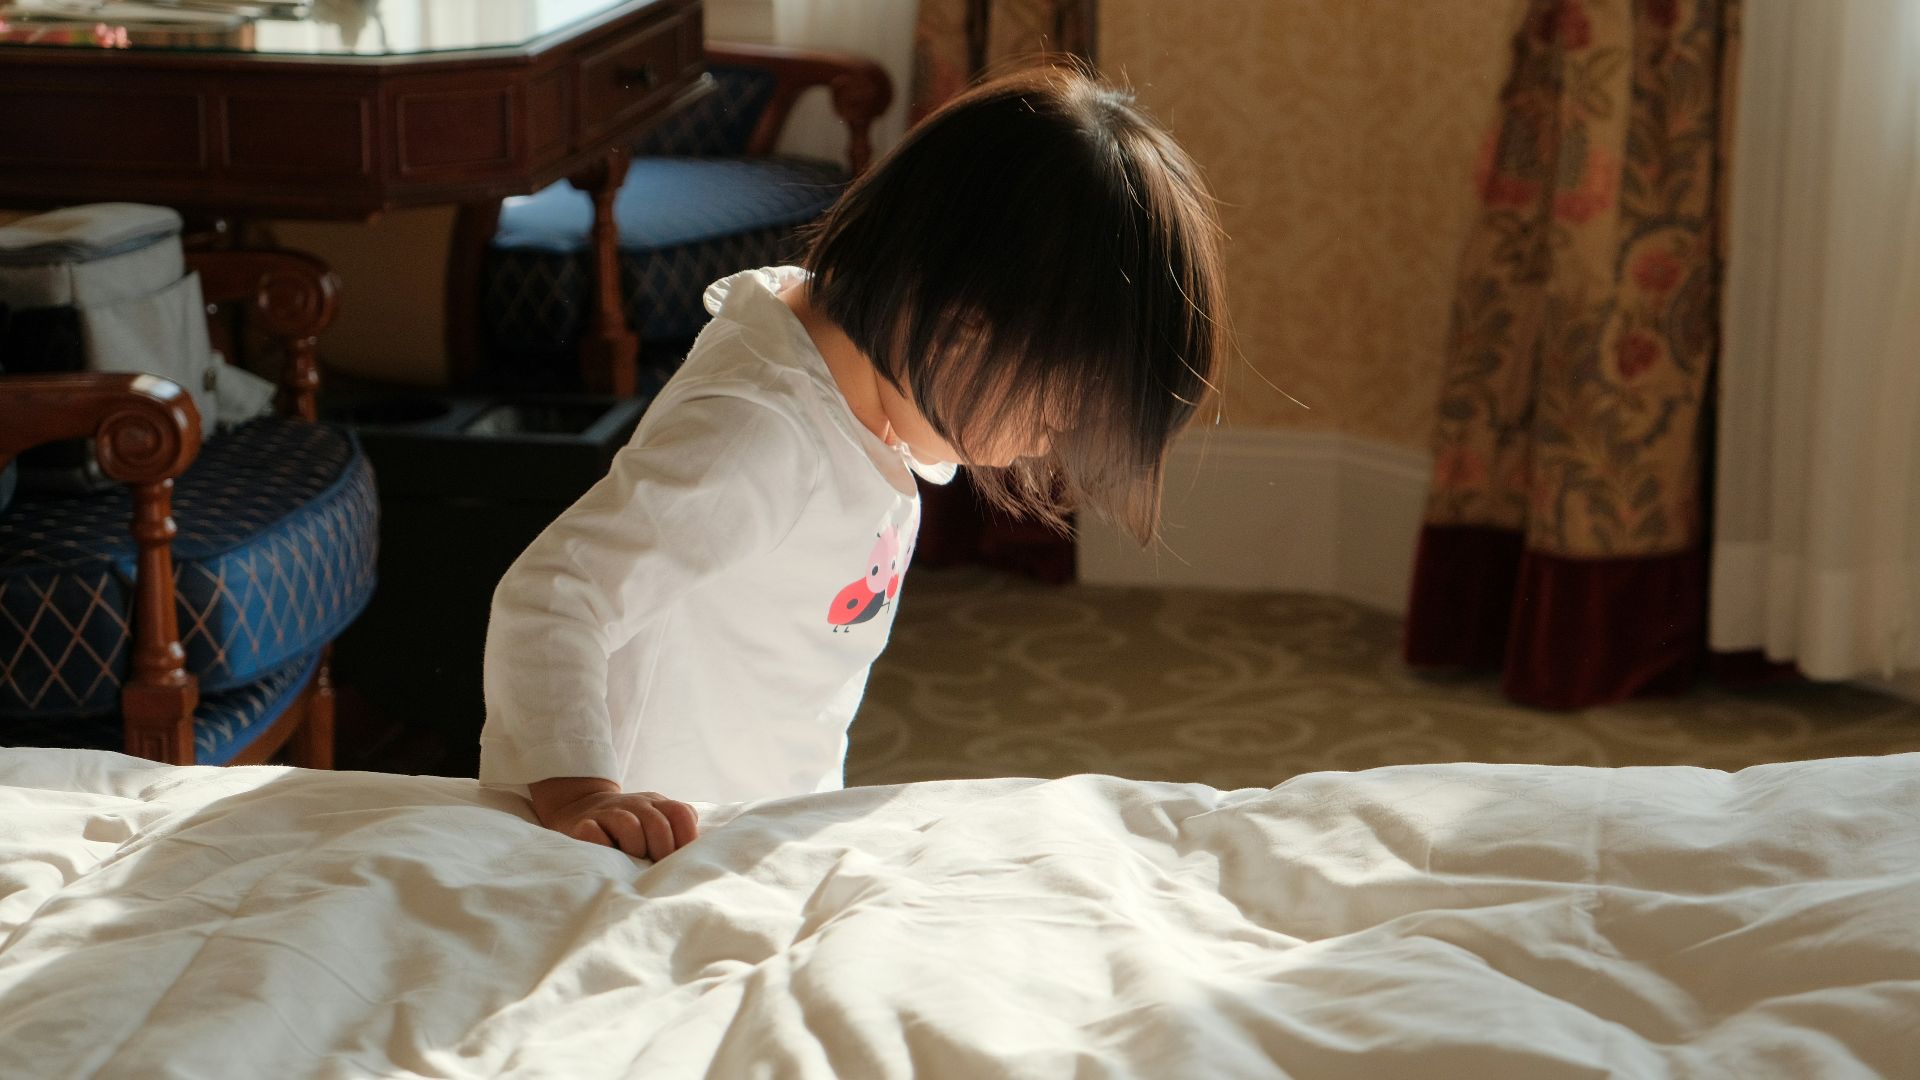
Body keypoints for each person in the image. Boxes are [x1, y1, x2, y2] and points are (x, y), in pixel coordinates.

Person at [478, 65, 1227, 859]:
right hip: (643, 842)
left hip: (748, 814)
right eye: (1053, 412)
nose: (1046, 442)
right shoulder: (759, 434)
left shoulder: (861, 387)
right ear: (963, 323)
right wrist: (583, 791)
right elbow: (556, 595)